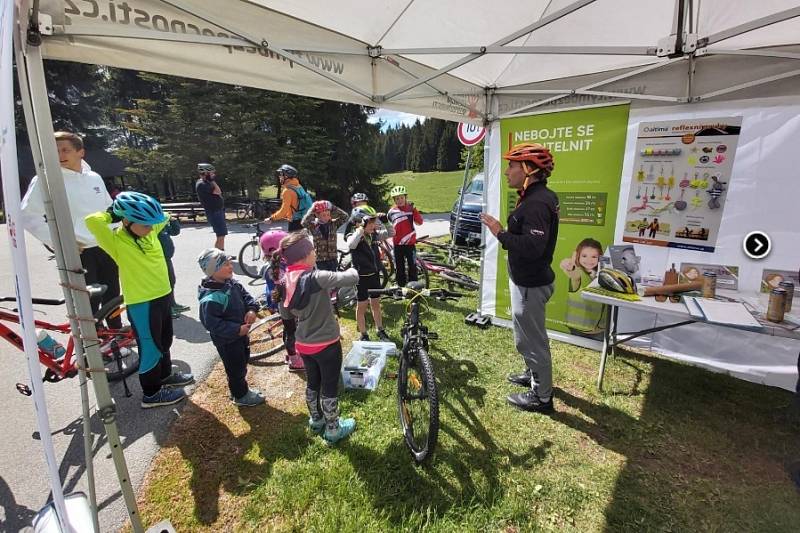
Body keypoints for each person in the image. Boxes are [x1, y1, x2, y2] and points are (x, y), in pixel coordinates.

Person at [85, 192, 194, 408]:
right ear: (127, 221)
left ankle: (164, 377)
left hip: (163, 296)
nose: (150, 229)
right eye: (144, 225)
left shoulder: (150, 231)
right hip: (142, 302)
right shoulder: (116, 241)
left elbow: (162, 217)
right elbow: (92, 221)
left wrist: (153, 217)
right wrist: (113, 213)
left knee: (164, 341)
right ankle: (151, 394)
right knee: (150, 347)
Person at [480, 142, 559, 414]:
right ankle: (534, 373)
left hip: (531, 284)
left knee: (531, 341)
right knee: (531, 337)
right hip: (529, 281)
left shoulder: (537, 202)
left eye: (511, 166)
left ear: (528, 169)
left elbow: (533, 247)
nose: (506, 172)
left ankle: (542, 397)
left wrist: (500, 233)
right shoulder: (534, 196)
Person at [21, 131, 122, 328]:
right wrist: (59, 241)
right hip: (78, 250)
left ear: (80, 152)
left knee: (112, 294)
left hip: (106, 246)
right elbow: (27, 215)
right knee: (86, 300)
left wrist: (117, 233)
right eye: (55, 151)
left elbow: (109, 208)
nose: (60, 155)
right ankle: (93, 344)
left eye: (65, 150)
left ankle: (117, 337)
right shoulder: (47, 179)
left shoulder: (93, 177)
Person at [276, 231, 359, 443]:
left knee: (313, 383)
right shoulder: (317, 277)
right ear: (304, 255)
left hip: (303, 344)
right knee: (329, 386)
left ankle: (316, 420)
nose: (315, 253)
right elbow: (352, 277)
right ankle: (333, 429)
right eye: (312, 250)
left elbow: (285, 314)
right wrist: (353, 266)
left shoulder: (285, 281)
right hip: (327, 344)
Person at [197, 248, 265, 407]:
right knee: (235, 369)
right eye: (225, 264)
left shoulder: (231, 283)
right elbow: (212, 324)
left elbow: (247, 298)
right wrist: (236, 330)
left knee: (242, 361)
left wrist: (251, 310)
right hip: (227, 341)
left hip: (240, 336)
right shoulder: (211, 298)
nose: (231, 266)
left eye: (230, 263)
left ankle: (240, 390)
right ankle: (240, 395)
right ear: (212, 270)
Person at [346, 212, 393, 342]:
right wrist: (360, 229)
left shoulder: (373, 236)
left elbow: (391, 233)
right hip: (361, 278)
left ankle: (380, 329)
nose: (373, 225)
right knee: (362, 306)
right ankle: (364, 334)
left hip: (374, 275)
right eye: (370, 223)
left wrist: (386, 221)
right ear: (359, 224)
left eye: (373, 222)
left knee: (376, 304)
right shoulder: (353, 236)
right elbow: (351, 245)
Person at [260, 229, 302, 372]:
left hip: (283, 302)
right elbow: (287, 286)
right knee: (291, 331)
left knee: (289, 329)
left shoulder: (277, 264)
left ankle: (292, 353)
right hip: (287, 304)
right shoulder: (275, 268)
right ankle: (294, 359)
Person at [560, 238, 605, 339]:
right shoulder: (579, 274)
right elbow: (573, 273)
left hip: (599, 329)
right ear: (577, 256)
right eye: (584, 256)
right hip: (578, 328)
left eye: (594, 256)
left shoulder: (602, 274)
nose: (589, 260)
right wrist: (569, 266)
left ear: (600, 258)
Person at [387, 185, 423, 287]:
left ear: (406, 197)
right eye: (397, 198)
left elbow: (420, 222)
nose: (400, 200)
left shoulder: (411, 208)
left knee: (412, 266)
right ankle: (401, 286)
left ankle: (413, 286)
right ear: (394, 200)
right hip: (397, 243)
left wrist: (414, 210)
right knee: (399, 266)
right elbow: (389, 223)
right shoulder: (391, 212)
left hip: (410, 243)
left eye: (402, 197)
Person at [301, 200, 349, 271]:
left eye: (328, 214)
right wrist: (312, 209)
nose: (326, 217)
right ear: (317, 215)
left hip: (333, 259)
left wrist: (332, 207)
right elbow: (304, 222)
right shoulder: (313, 226)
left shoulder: (333, 224)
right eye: (323, 215)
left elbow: (345, 216)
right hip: (320, 260)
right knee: (322, 280)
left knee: (333, 279)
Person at [157, 217, 191, 319]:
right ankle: (166, 309)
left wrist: (173, 221)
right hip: (158, 260)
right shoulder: (154, 227)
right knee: (163, 284)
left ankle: (172, 304)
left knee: (171, 281)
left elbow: (175, 232)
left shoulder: (163, 224)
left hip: (167, 258)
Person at [268, 164, 313, 232]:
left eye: (281, 174)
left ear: (286, 176)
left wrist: (271, 218)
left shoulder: (287, 191)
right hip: (304, 219)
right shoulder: (298, 186)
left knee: (291, 242)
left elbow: (284, 210)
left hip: (295, 222)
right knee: (302, 241)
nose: (280, 177)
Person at [195, 162, 227, 250]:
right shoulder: (202, 184)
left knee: (221, 235)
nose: (214, 175)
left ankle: (219, 254)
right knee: (221, 234)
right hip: (214, 212)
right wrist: (212, 180)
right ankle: (219, 256)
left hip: (217, 211)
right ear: (206, 173)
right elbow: (218, 191)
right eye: (212, 173)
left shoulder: (206, 182)